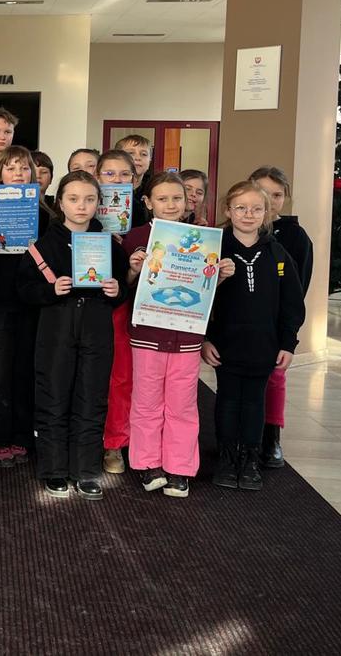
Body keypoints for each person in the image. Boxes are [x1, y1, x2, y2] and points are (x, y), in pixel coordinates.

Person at [17, 170, 128, 500]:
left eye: (89, 199)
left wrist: (117, 290)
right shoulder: (43, 245)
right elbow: (24, 290)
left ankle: (87, 471)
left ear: (98, 204)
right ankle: (54, 469)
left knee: (92, 396)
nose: (82, 206)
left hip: (96, 325)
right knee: (53, 395)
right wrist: (50, 290)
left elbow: (122, 289)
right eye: (74, 199)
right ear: (60, 203)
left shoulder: (110, 246)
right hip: (56, 325)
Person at [122, 173, 232, 497]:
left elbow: (204, 290)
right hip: (147, 333)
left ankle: (179, 467)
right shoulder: (136, 237)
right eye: (162, 198)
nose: (170, 205)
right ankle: (148, 464)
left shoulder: (204, 239)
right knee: (146, 402)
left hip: (187, 336)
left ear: (188, 202)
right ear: (147, 202)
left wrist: (219, 276)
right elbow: (124, 287)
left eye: (177, 198)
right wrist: (132, 269)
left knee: (182, 404)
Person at [204, 180, 305, 492]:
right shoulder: (213, 249)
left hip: (264, 345)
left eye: (256, 209)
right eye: (241, 208)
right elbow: (198, 299)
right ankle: (226, 458)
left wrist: (288, 342)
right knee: (227, 400)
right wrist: (205, 339)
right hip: (225, 344)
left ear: (266, 213)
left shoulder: (278, 254)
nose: (248, 214)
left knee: (254, 403)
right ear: (228, 211)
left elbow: (292, 303)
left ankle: (250, 458)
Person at [0, 147, 52, 467]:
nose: (18, 173)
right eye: (11, 167)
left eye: (24, 168)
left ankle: (21, 435)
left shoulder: (45, 217)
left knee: (25, 371)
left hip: (32, 304)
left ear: (33, 175)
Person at [249, 165, 315, 470]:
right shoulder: (232, 231)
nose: (269, 200)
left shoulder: (296, 238)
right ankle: (237, 438)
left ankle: (271, 437)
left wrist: (289, 333)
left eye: (276, 195)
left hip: (274, 326)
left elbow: (297, 292)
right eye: (262, 192)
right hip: (239, 324)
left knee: (274, 379)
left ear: (285, 198)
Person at [95, 148, 139, 475]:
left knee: (121, 378)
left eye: (124, 174)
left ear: (134, 180)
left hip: (130, 308)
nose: (116, 180)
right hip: (91, 307)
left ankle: (115, 444)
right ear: (97, 177)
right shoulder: (84, 213)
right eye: (109, 174)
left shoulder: (145, 220)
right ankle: (87, 440)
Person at [114, 134, 153, 229]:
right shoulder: (108, 186)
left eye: (144, 154)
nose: (137, 158)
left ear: (150, 160)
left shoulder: (155, 188)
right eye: (131, 153)